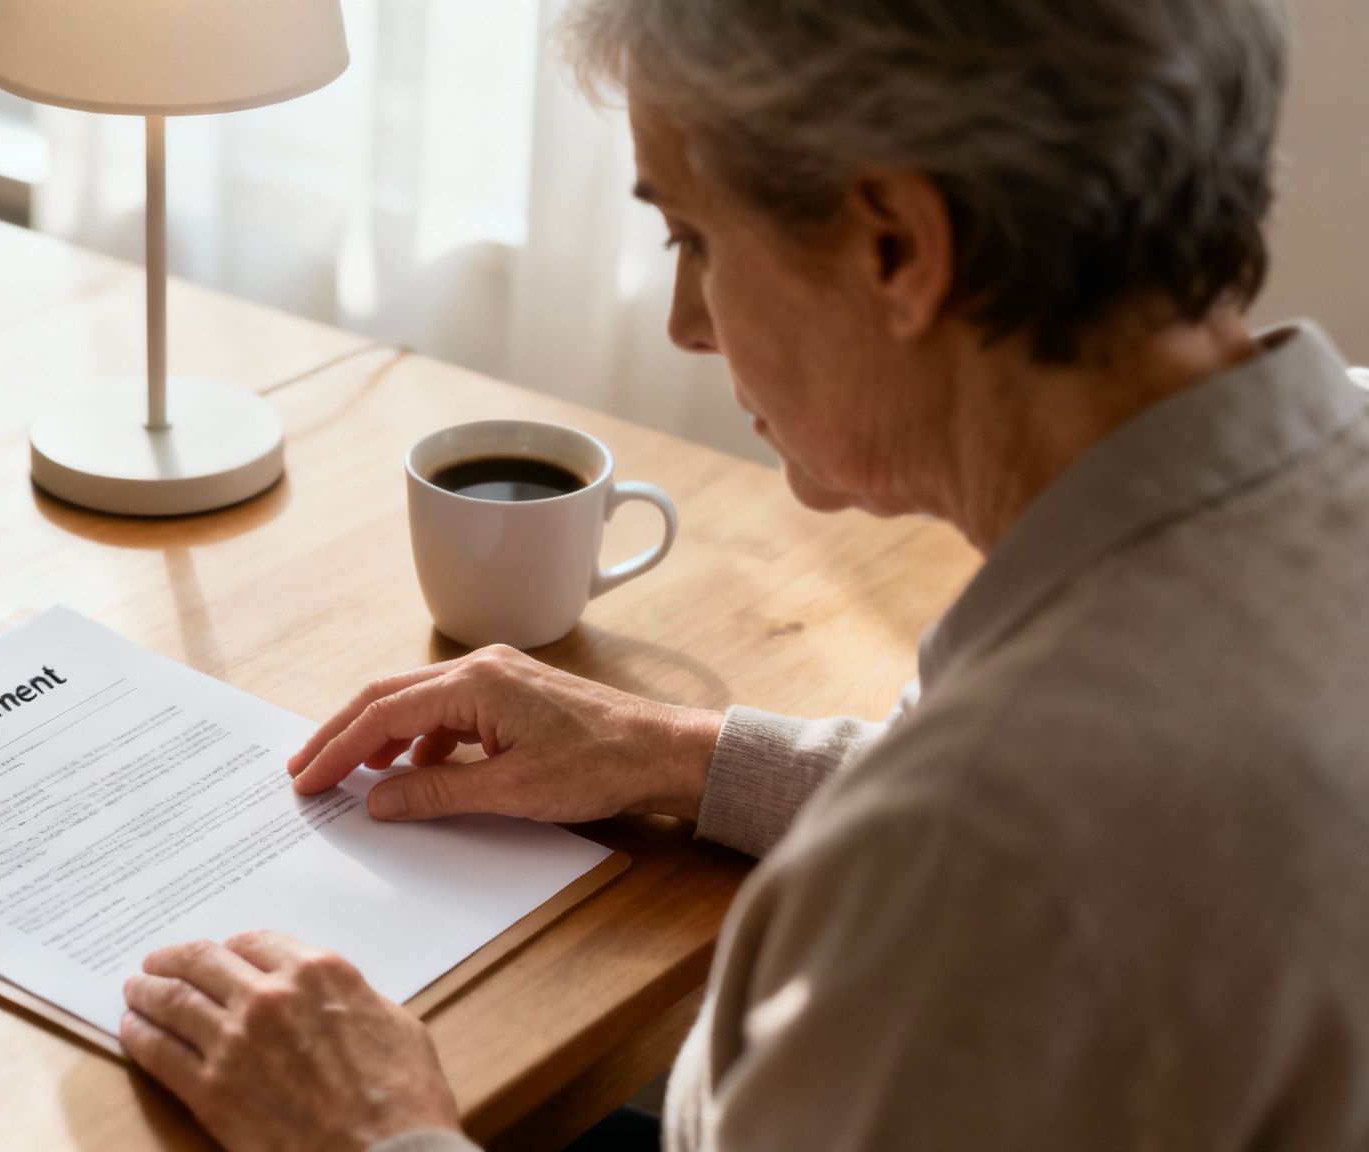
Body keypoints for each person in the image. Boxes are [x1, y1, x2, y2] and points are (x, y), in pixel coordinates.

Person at [116, 0, 1369, 1148]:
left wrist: (373, 1134)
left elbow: (1019, 842)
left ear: (895, 248)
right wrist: (682, 754)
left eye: (691, 234)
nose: (684, 320)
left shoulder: (979, 863)